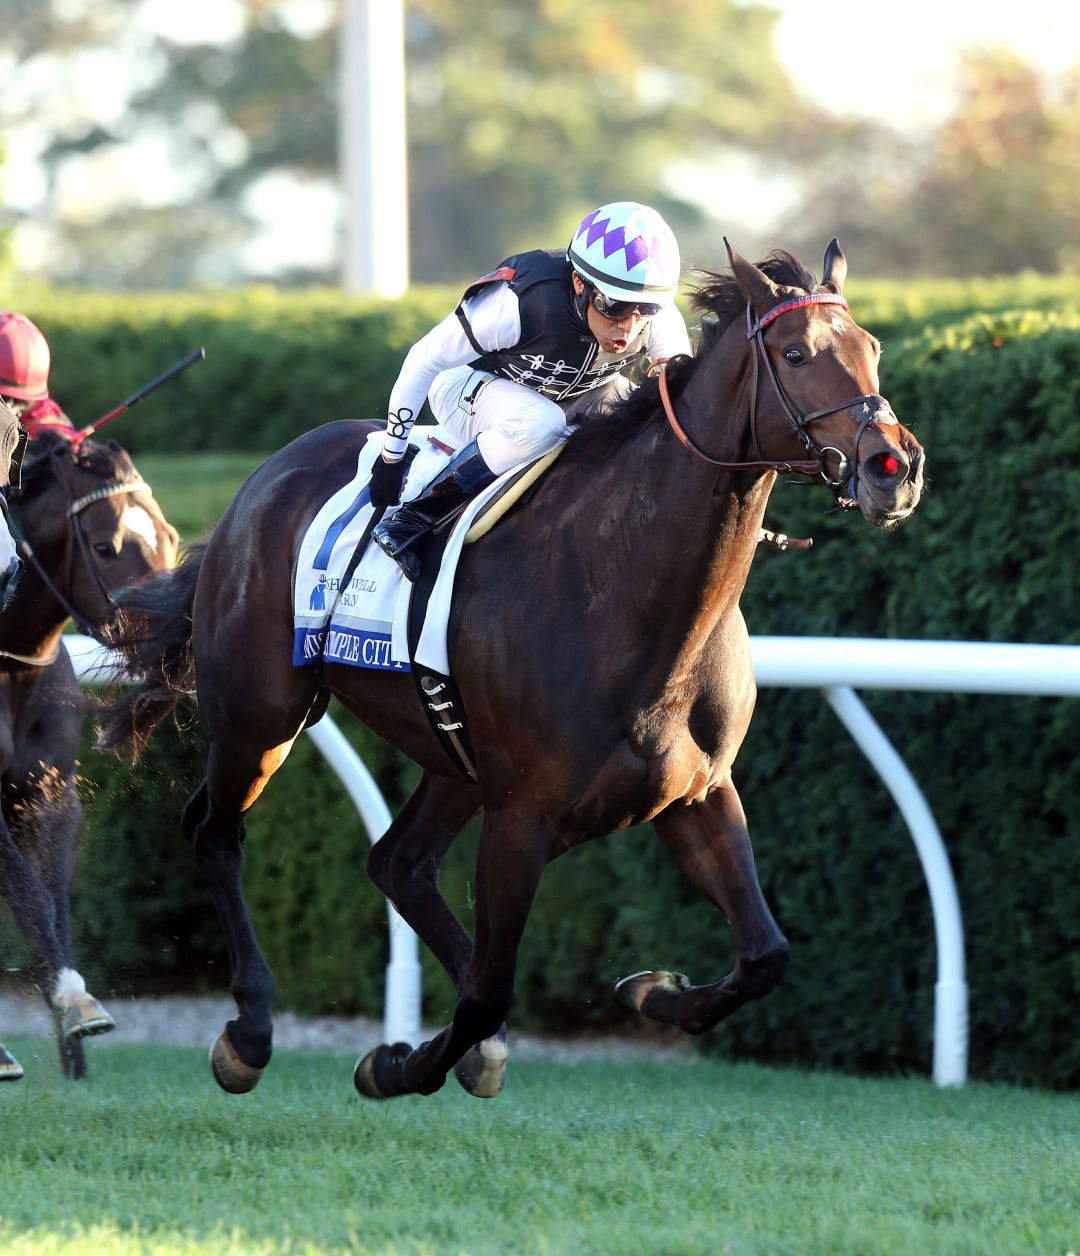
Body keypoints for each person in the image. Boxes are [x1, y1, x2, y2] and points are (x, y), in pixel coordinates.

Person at [369, 200, 691, 580]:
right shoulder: (517, 302)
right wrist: (392, 457)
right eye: (614, 306)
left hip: (570, 394)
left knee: (649, 420)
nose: (629, 327)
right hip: (467, 385)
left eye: (645, 310)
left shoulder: (656, 317)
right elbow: (423, 359)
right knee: (541, 422)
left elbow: (681, 398)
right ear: (579, 283)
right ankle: (416, 516)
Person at [0, 312, 78, 610]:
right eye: (5, 400)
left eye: (21, 405)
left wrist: (66, 451)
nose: (12, 411)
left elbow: (67, 445)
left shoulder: (34, 400)